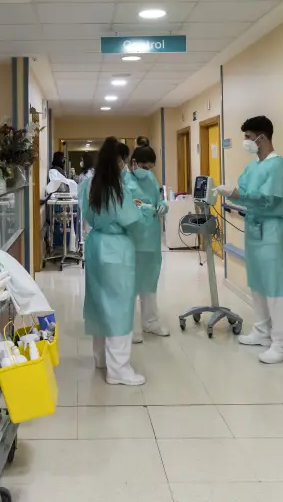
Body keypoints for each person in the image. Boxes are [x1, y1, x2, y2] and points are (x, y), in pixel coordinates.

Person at [218, 116, 283, 364]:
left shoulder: (279, 167)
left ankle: (282, 344)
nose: (245, 142)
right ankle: (262, 331)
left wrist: (236, 194)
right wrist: (234, 193)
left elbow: (267, 199)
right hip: (254, 228)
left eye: (248, 137)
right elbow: (246, 193)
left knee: (275, 287)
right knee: (257, 283)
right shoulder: (254, 167)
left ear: (262, 137)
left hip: (272, 230)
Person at [79, 137, 151, 385]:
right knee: (119, 307)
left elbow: (89, 212)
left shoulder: (89, 184)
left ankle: (101, 358)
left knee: (100, 303)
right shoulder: (115, 188)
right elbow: (131, 221)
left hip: (96, 246)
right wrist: (145, 212)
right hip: (115, 249)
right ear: (119, 161)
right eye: (125, 162)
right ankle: (119, 369)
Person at [128, 145, 170, 341]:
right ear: (134, 163)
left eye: (151, 167)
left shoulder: (151, 179)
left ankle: (150, 322)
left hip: (151, 239)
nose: (148, 171)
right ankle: (129, 327)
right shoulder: (125, 181)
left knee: (150, 282)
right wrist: (142, 209)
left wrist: (162, 205)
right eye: (145, 167)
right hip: (133, 238)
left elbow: (157, 198)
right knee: (130, 284)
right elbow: (124, 208)